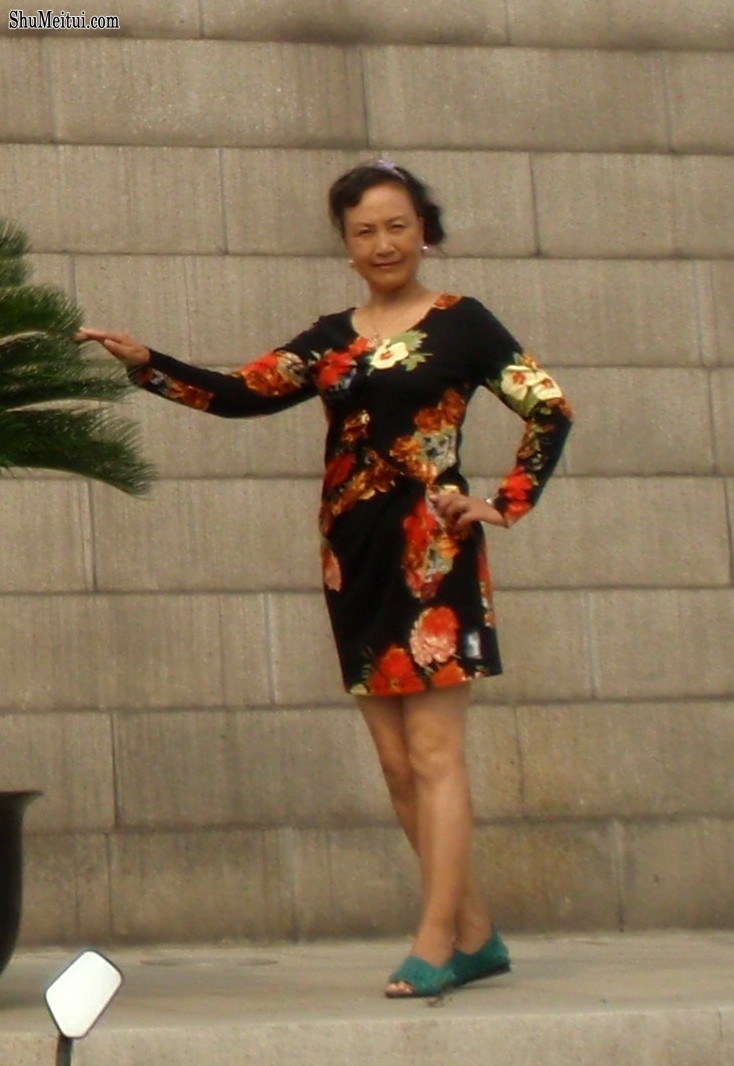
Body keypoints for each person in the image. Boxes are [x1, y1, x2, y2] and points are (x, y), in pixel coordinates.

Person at [77, 159, 573, 998]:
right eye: (364, 231)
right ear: (345, 245)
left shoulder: (464, 323)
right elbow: (241, 392)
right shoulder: (330, 337)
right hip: (354, 560)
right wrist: (145, 362)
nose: (383, 243)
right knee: (397, 764)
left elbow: (548, 406)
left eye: (398, 226)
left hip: (436, 559)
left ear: (425, 231)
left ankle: (435, 941)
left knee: (435, 752)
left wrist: (502, 502)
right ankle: (476, 933)